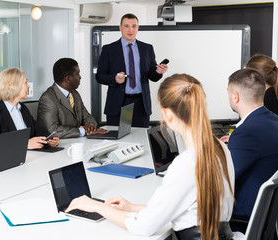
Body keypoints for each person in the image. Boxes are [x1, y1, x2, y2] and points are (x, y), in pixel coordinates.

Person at [66, 74, 235, 239]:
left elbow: (143, 227)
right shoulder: (219, 147)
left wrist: (97, 206)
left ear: (167, 114)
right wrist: (132, 207)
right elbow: (191, 209)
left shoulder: (186, 164)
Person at [223, 68, 278, 232]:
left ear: (235, 96)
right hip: (267, 218)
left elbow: (222, 180)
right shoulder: (273, 120)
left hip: (243, 218)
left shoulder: (245, 133)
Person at [96, 13, 168, 127]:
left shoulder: (147, 48)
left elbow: (152, 76)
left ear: (138, 28)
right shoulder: (109, 49)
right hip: (118, 103)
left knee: (141, 142)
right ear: (120, 28)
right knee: (119, 142)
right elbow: (99, 76)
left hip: (141, 103)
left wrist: (159, 72)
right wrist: (114, 78)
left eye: (134, 26)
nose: (130, 29)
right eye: (126, 26)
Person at [0, 68, 60, 153]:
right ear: (13, 86)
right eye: (25, 82)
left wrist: (50, 139)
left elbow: (39, 131)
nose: (28, 86)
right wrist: (25, 144)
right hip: (13, 162)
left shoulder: (23, 108)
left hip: (32, 157)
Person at [38, 58, 107, 138]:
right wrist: (83, 131)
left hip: (77, 142)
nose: (80, 77)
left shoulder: (75, 94)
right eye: (77, 74)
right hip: (61, 145)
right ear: (68, 78)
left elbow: (87, 117)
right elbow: (52, 130)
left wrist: (91, 126)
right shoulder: (47, 99)